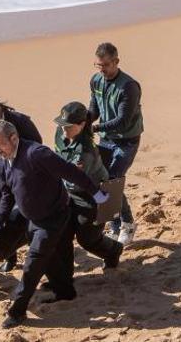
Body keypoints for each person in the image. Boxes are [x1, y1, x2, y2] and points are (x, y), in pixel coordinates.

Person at [0, 120, 109, 329]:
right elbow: (7, 194)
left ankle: (17, 311)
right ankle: (65, 292)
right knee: (50, 256)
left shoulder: (36, 154)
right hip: (32, 219)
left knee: (33, 264)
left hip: (53, 217)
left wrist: (95, 192)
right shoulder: (2, 162)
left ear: (14, 138)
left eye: (0, 145)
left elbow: (71, 172)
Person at [53, 101, 124, 276]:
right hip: (67, 194)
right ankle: (63, 278)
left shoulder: (84, 151)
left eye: (68, 126)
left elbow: (74, 181)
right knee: (62, 236)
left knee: (88, 239)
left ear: (82, 125)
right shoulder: (62, 134)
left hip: (91, 197)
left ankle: (113, 250)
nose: (63, 130)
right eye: (61, 125)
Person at [0, 95, 42, 272]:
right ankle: (9, 256)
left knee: (28, 208)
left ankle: (35, 245)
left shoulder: (20, 121)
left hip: (26, 170)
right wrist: (5, 178)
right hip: (0, 173)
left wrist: (20, 172)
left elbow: (37, 143)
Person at [88, 42, 143, 245]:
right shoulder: (96, 81)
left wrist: (94, 128)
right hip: (106, 139)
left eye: (105, 65)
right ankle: (115, 225)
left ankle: (127, 224)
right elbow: (94, 109)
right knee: (101, 180)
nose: (102, 69)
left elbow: (123, 120)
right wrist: (82, 122)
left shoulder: (129, 86)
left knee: (112, 182)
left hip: (126, 141)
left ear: (116, 62)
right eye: (98, 65)